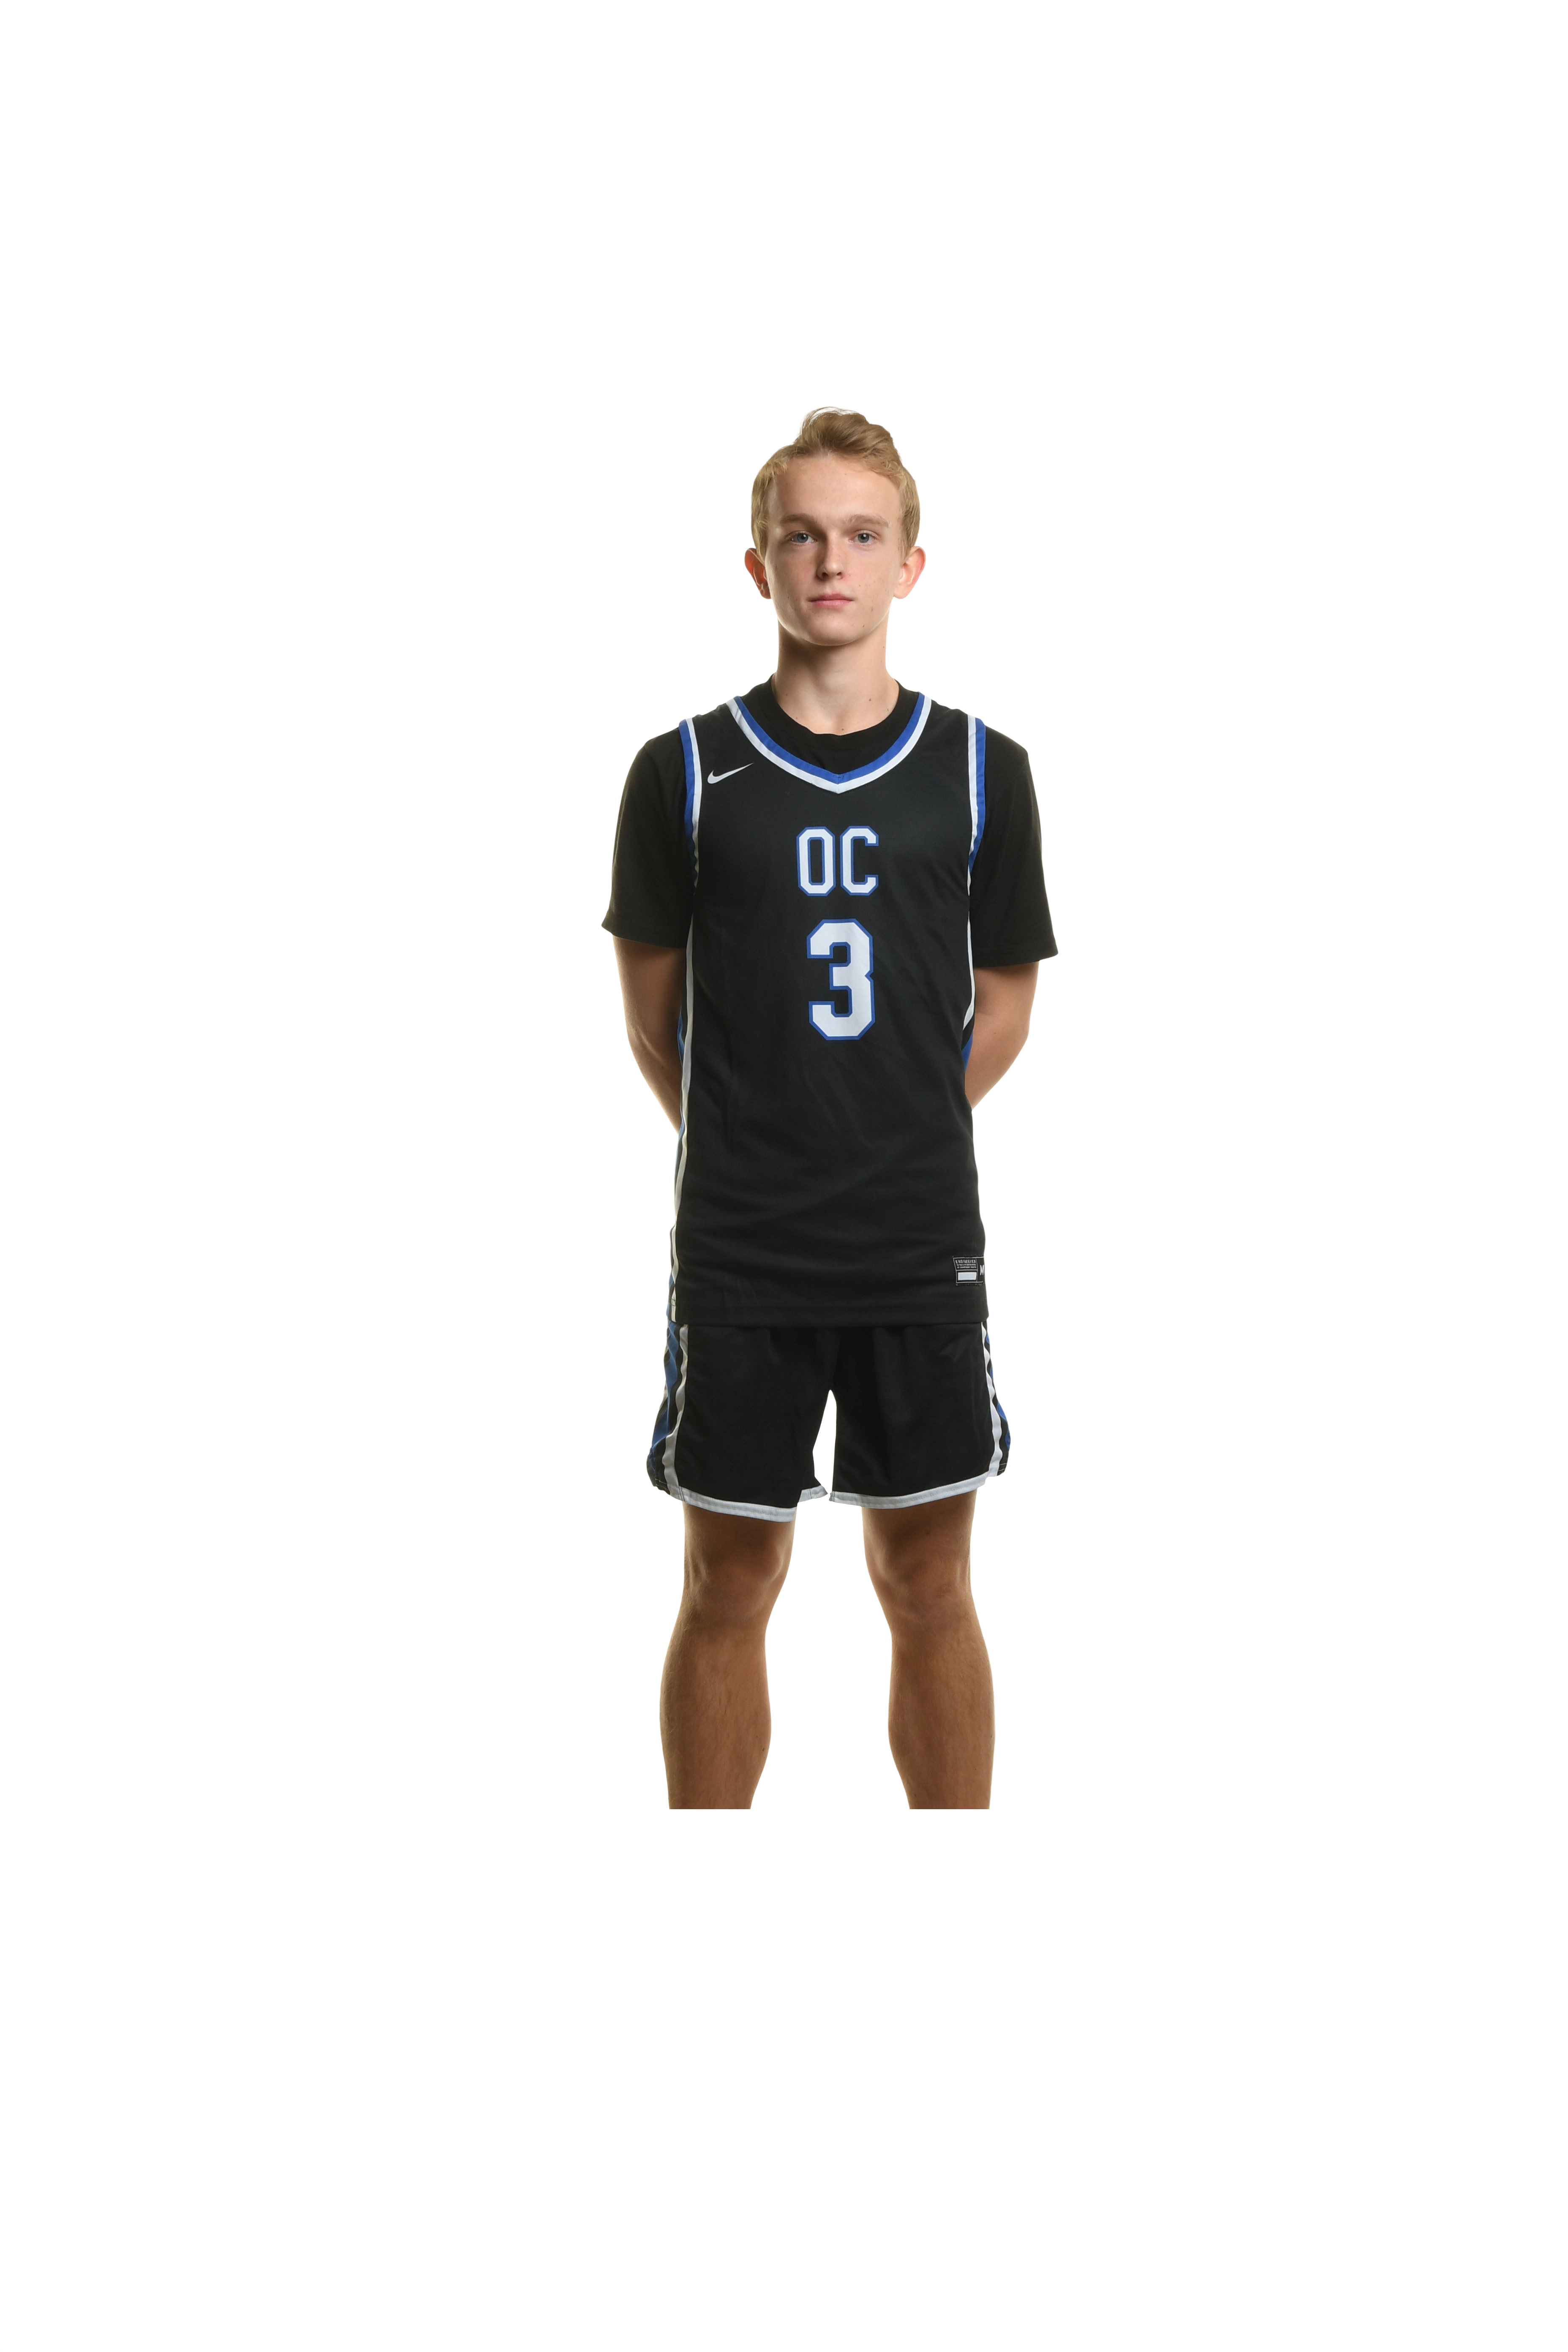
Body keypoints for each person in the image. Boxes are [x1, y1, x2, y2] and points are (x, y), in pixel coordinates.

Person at [602, 405, 1058, 1808]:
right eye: (801, 535)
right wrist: (769, 1136)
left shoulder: (982, 769)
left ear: (911, 563)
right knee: (728, 1577)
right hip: (743, 1248)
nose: (831, 562)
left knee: (929, 1577)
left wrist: (887, 1130)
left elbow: (1005, 1009)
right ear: (759, 562)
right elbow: (654, 1024)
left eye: (863, 535)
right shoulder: (681, 772)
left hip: (918, 1243)